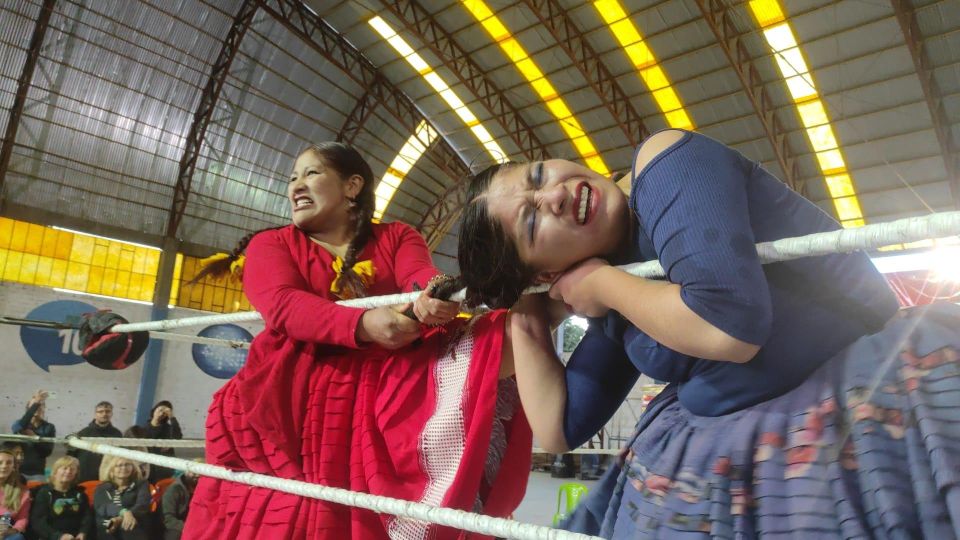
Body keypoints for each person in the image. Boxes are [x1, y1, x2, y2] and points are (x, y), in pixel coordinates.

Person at [457, 129, 960, 537]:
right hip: (740, 456)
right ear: (545, 276)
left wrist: (600, 284)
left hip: (862, 394)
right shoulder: (613, 280)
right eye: (530, 220)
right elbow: (558, 428)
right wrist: (522, 310)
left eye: (539, 175)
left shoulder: (664, 163)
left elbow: (728, 324)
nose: (556, 193)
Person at [183, 142, 531, 539]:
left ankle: (549, 296)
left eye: (311, 173)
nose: (296, 184)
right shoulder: (271, 244)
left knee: (496, 333)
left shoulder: (397, 235)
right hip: (288, 396)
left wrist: (431, 298)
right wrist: (364, 325)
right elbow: (283, 306)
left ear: (352, 186)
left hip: (384, 381)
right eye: (292, 177)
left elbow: (419, 275)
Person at [29, 456, 93, 540]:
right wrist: (59, 536)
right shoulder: (44, 493)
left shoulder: (80, 494)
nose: (68, 471)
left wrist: (83, 532)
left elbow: (87, 517)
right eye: (65, 468)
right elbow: (38, 521)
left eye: (72, 469)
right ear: (55, 472)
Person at [93, 456, 150, 540]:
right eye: (119, 465)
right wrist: (124, 512)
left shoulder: (141, 484)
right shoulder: (102, 487)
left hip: (133, 523)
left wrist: (120, 519)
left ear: (133, 468)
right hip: (107, 523)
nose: (123, 468)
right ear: (112, 470)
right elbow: (104, 506)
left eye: (127, 464)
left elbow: (142, 505)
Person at [67, 401, 124, 483]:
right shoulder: (83, 433)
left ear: (111, 414)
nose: (104, 414)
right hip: (84, 476)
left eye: (107, 411)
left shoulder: (117, 434)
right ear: (95, 414)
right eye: (100, 412)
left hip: (107, 476)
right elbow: (71, 456)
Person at [11, 390, 55, 481]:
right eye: (35, 405)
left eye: (40, 406)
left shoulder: (49, 427)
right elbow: (19, 428)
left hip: (37, 472)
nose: (38, 408)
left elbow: (47, 452)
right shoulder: (19, 423)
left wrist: (35, 438)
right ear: (28, 409)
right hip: (18, 470)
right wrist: (36, 403)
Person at [139, 401, 182, 483]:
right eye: (160, 410)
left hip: (163, 469)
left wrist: (172, 417)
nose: (162, 413)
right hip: (147, 467)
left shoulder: (169, 428)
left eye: (165, 412)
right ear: (154, 410)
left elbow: (178, 437)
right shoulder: (142, 428)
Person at [161, 468, 198, 540]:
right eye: (193, 472)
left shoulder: (204, 489)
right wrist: (187, 528)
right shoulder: (174, 490)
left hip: (197, 525)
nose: (197, 475)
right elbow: (168, 518)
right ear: (185, 472)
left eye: (200, 472)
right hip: (177, 526)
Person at [0, 449, 29, 540]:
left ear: (14, 467)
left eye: (8, 463)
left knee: (17, 537)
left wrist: (14, 530)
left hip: (6, 531)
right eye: (0, 462)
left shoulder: (23, 492)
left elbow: (22, 518)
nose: (4, 466)